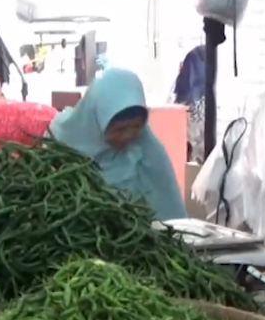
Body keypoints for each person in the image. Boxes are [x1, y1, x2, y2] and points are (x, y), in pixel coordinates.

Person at [47, 68, 188, 222]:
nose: (128, 136)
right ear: (98, 119)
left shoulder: (150, 153)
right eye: (119, 129)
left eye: (136, 127)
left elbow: (171, 217)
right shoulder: (60, 139)